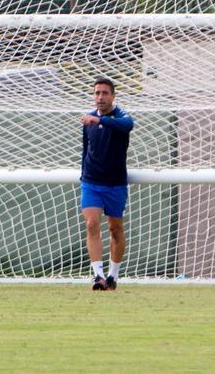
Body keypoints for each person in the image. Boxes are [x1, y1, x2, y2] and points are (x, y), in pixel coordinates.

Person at [80, 77, 134, 291]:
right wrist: (83, 174)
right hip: (91, 182)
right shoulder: (90, 120)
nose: (100, 97)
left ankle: (113, 275)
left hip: (115, 184)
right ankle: (98, 276)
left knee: (115, 228)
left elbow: (128, 125)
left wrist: (101, 121)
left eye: (104, 93)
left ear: (113, 96)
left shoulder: (120, 117)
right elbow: (87, 149)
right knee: (92, 224)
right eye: (97, 93)